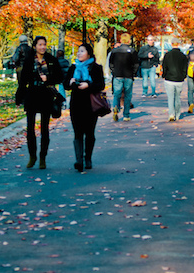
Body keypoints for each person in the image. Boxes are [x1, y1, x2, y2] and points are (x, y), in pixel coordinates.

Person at [18, 36, 63, 170]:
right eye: (40, 44)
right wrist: (20, 96)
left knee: (45, 128)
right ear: (35, 46)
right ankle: (32, 156)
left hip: (46, 95)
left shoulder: (51, 60)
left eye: (44, 44)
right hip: (32, 94)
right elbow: (23, 80)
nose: (42, 47)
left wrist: (48, 78)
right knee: (30, 128)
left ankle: (43, 156)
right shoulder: (29, 60)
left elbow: (59, 77)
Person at [64, 43, 106, 172]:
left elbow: (101, 85)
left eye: (82, 51)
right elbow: (65, 85)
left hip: (91, 105)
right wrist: (71, 82)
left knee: (89, 133)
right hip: (76, 104)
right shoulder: (73, 67)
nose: (79, 53)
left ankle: (88, 158)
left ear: (89, 53)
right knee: (77, 133)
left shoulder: (96, 68)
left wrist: (88, 85)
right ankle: (79, 160)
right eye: (78, 51)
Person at [109, 33, 139, 122]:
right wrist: (133, 73)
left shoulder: (114, 51)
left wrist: (114, 72)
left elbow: (111, 63)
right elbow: (136, 64)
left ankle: (116, 107)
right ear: (129, 41)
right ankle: (126, 115)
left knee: (117, 94)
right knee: (127, 95)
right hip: (128, 75)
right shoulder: (132, 51)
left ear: (120, 40)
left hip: (117, 75)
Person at [161, 40, 189, 121]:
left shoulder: (167, 55)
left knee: (170, 98)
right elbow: (185, 68)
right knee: (177, 97)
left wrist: (164, 75)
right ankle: (177, 114)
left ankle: (171, 114)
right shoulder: (183, 56)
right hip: (179, 79)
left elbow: (164, 66)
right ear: (178, 44)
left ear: (171, 44)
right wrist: (183, 76)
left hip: (169, 78)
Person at [11, 34, 33, 104]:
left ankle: (20, 99)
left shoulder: (19, 48)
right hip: (29, 68)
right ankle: (28, 98)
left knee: (21, 84)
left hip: (21, 68)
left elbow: (15, 58)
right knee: (29, 83)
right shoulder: (30, 48)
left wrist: (15, 64)